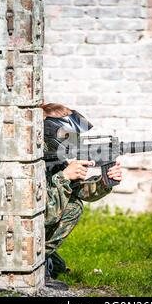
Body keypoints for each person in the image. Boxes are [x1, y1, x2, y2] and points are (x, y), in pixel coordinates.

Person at [40, 103, 123, 283]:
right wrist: (64, 177)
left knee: (59, 267)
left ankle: (42, 257)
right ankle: (36, 259)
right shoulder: (30, 165)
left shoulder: (53, 160)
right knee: (73, 207)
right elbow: (44, 213)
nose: (72, 143)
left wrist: (104, 182)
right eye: (68, 137)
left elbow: (81, 192)